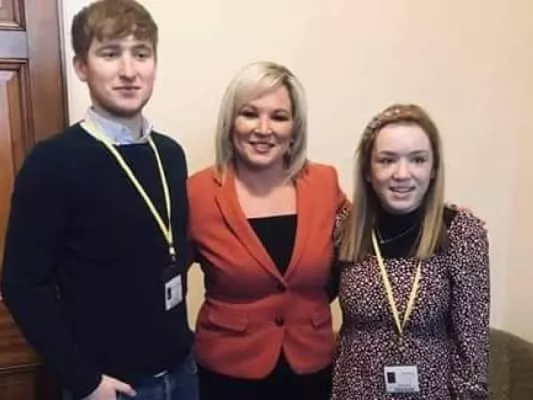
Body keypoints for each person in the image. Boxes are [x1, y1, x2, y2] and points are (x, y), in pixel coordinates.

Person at [1, 1, 198, 399]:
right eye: (110, 54)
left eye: (140, 54)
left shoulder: (170, 154)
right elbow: (22, 284)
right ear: (81, 67)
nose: (129, 71)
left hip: (182, 371)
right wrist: (84, 380)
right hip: (110, 385)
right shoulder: (52, 162)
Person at [187, 61, 349, 400]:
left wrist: (443, 217)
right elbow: (161, 281)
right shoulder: (197, 193)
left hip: (311, 370)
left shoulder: (324, 183)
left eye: (278, 117)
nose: (263, 129)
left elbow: (359, 253)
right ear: (230, 121)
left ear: (295, 127)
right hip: (226, 375)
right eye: (249, 114)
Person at [332, 103, 490, 399]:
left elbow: (471, 348)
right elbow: (302, 299)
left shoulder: (460, 231)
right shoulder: (344, 228)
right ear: (368, 170)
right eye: (387, 160)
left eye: (417, 160)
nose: (402, 174)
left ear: (433, 169)